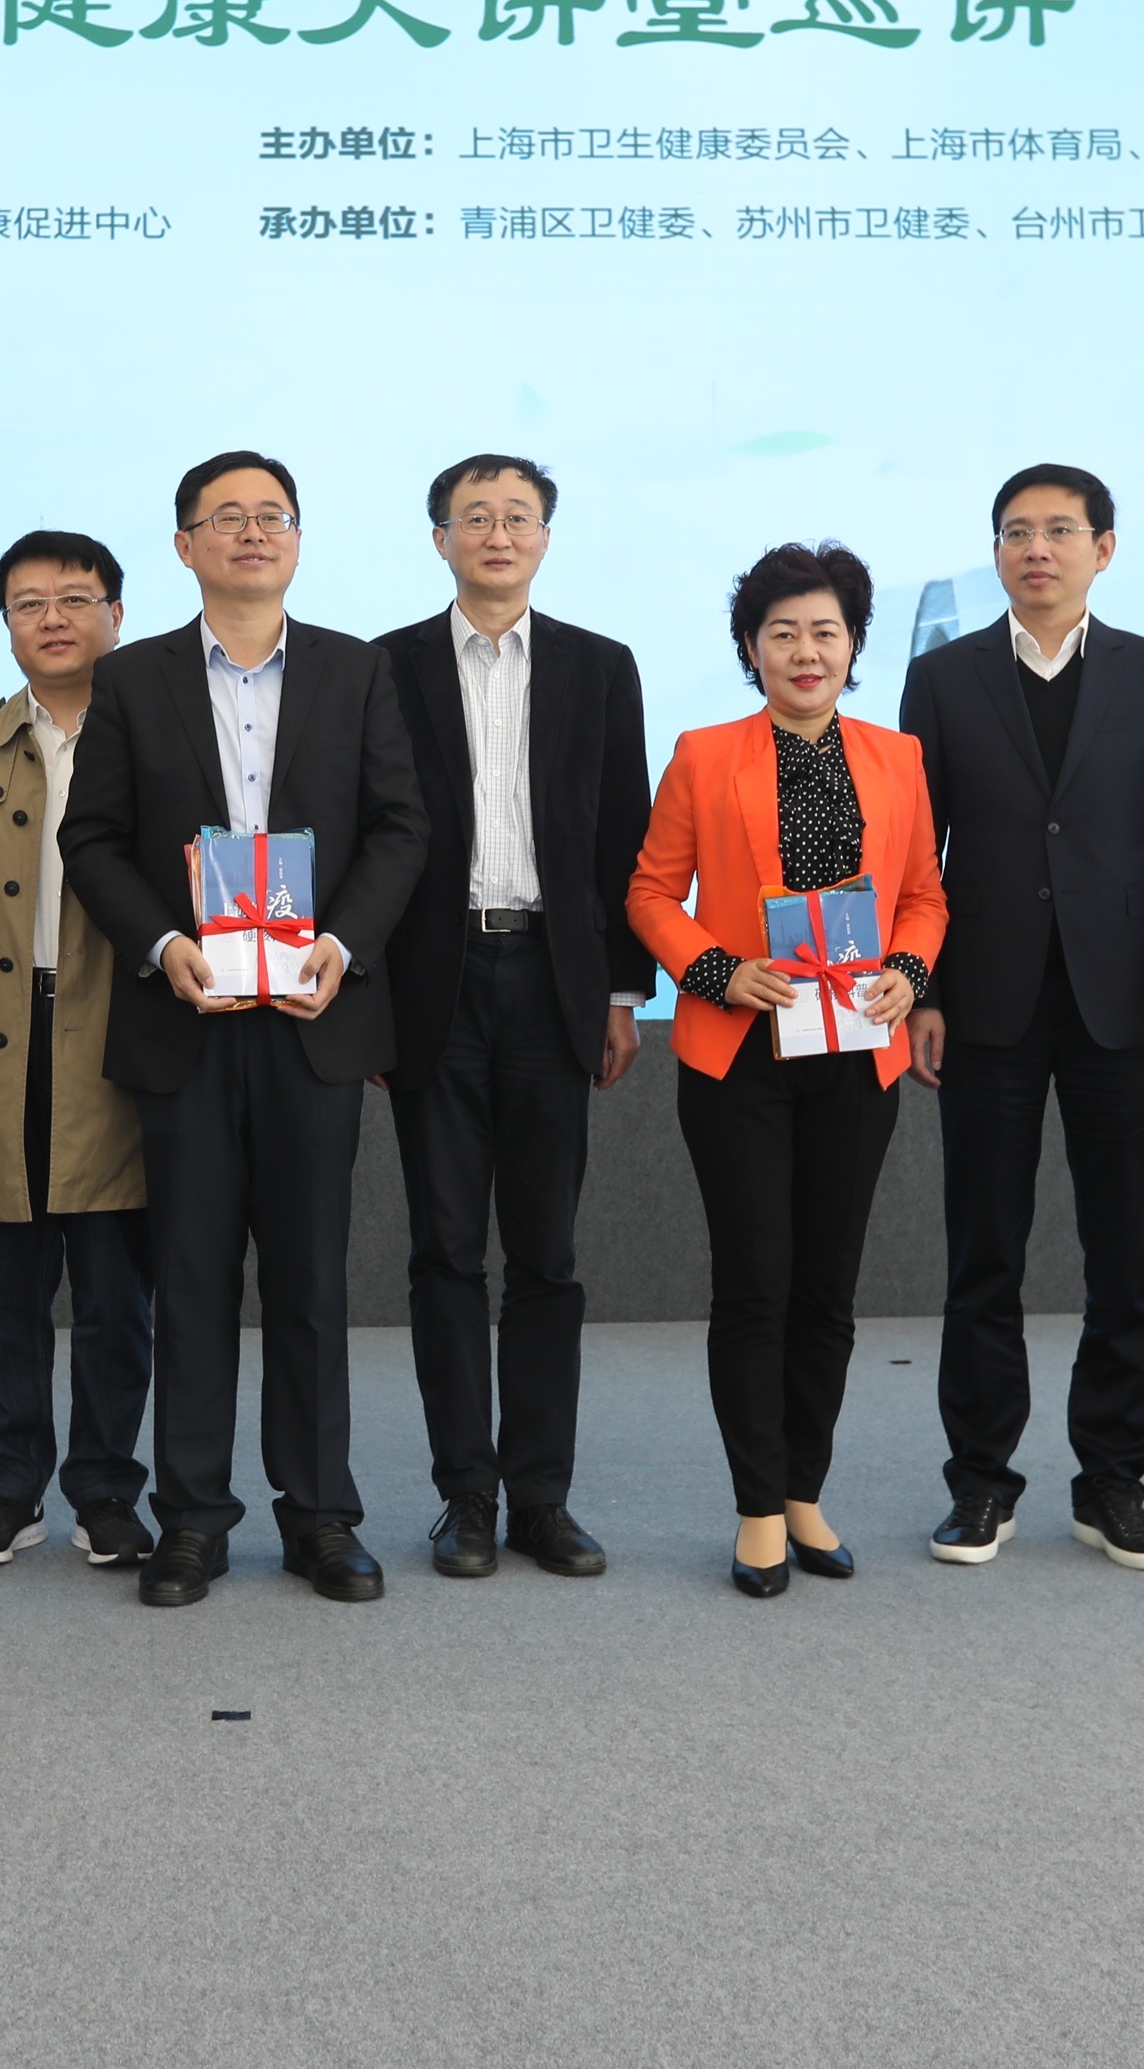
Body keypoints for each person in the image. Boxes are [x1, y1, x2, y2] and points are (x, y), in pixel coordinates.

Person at [62, 450, 431, 1609]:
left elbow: (400, 828)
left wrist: (345, 945)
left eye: (273, 515)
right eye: (227, 517)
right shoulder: (132, 679)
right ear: (185, 546)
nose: (253, 533)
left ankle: (320, 1516)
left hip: (315, 1016)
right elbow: (90, 841)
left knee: (312, 1280)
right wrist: (162, 947)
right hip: (187, 1018)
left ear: (299, 540)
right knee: (190, 1279)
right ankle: (193, 1520)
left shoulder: (356, 670)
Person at [895, 464, 1144, 1573]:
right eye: (1016, 532)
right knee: (982, 1251)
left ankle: (1113, 1482)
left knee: (1124, 1255)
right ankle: (980, 1482)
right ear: (995, 552)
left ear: (1103, 549)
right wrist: (923, 991)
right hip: (982, 1000)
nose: (1037, 548)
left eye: (1060, 530)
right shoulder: (941, 677)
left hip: (1122, 1003)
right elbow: (915, 856)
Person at [626, 544, 948, 1598]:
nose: (806, 652)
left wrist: (907, 971)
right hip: (740, 1057)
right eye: (782, 633)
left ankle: (805, 1489)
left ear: (853, 645)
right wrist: (717, 971)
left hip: (857, 1054)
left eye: (825, 632)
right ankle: (758, 1505)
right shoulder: (703, 753)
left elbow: (923, 896)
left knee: (827, 1290)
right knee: (755, 1283)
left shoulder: (896, 756)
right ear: (751, 648)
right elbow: (650, 893)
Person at [372, 455, 652, 1582]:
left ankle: (541, 1495)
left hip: (552, 980)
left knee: (546, 1252)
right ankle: (466, 1496)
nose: (497, 533)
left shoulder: (599, 665)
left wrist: (621, 992)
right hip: (432, 984)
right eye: (474, 516)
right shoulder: (385, 665)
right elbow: (368, 836)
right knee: (444, 1250)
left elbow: (623, 835)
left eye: (518, 516)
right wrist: (372, 996)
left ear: (545, 537)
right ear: (439, 537)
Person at [0, 531, 155, 1572]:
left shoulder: (157, 735)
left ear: (117, 613)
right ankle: (7, 1489)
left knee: (115, 1297)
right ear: (5, 623)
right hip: (1, 1038)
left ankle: (106, 1491)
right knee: (5, 1297)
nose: (52, 619)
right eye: (27, 603)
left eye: (74, 598)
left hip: (118, 1041)